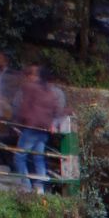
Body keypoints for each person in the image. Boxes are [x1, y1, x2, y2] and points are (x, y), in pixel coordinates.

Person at [12, 65, 63, 193]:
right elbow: (57, 110)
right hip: (44, 130)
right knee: (38, 157)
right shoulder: (52, 93)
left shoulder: (30, 88)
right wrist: (53, 124)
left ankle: (26, 186)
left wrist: (19, 121)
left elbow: (22, 108)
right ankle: (40, 187)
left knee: (19, 156)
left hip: (32, 127)